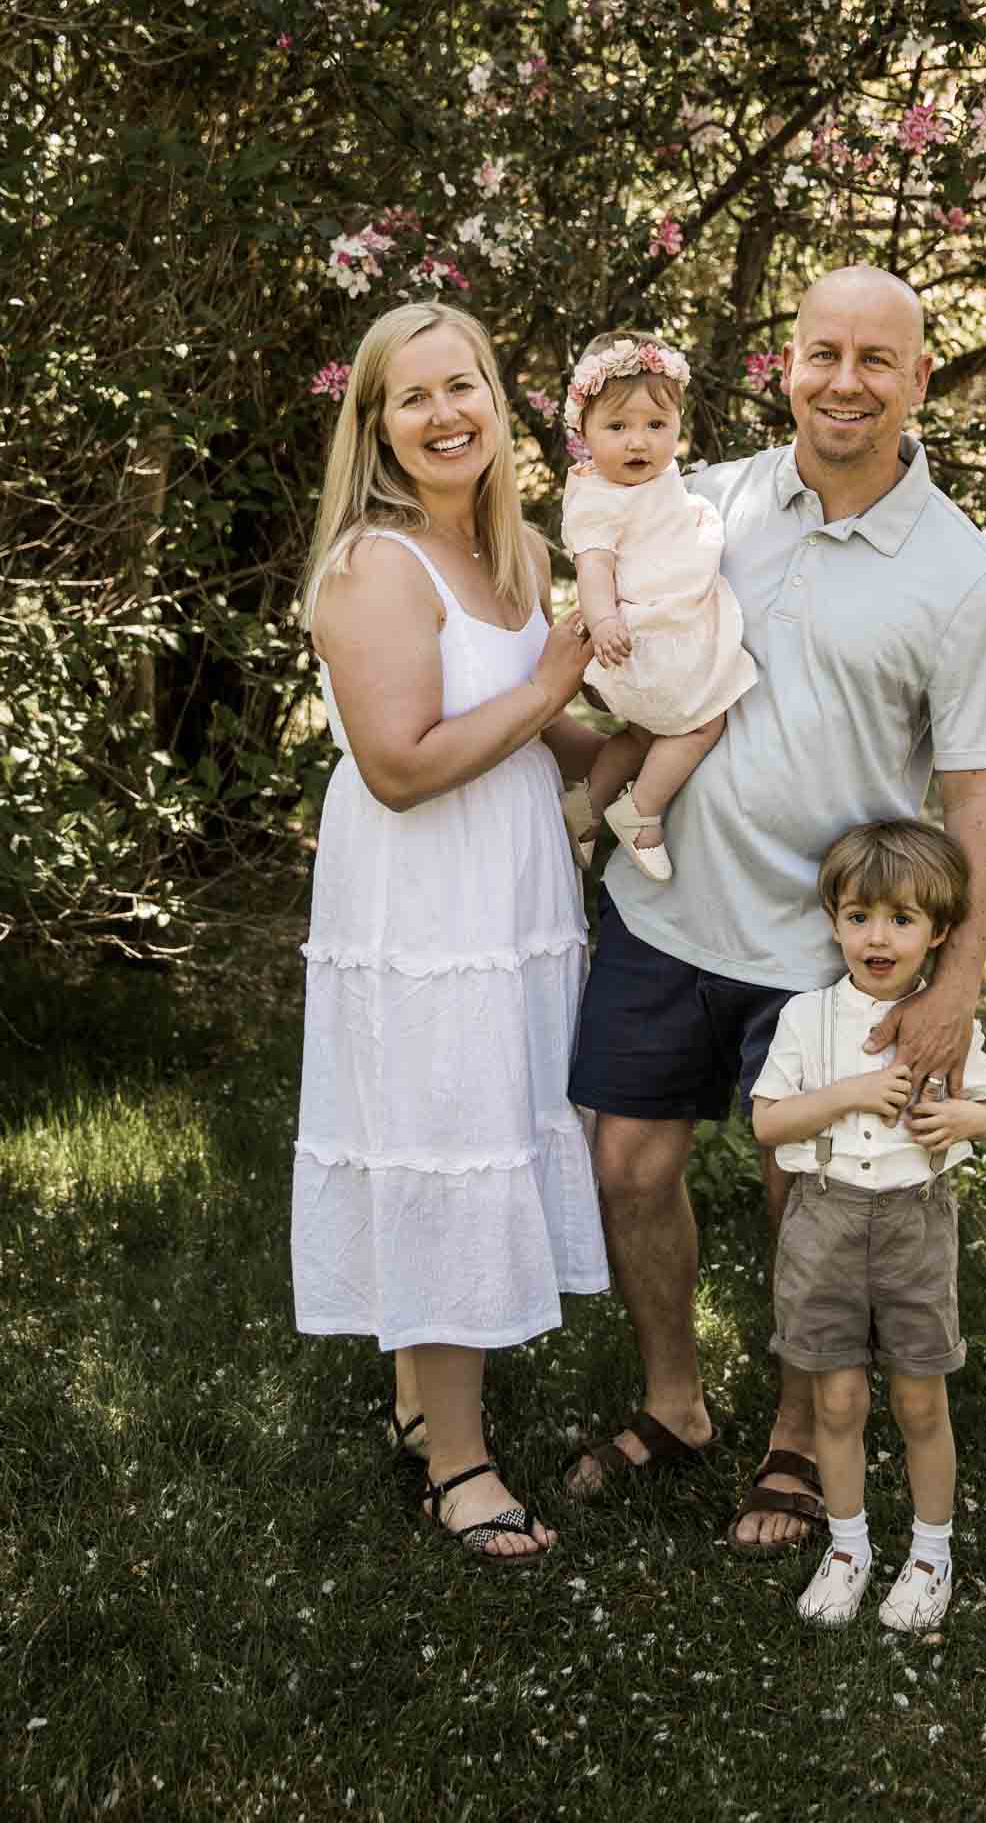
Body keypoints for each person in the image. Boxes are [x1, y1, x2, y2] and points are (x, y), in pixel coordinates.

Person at [564, 265, 986, 1556]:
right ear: (786, 364)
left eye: (877, 359)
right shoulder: (702, 502)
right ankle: (674, 1401)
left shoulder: (958, 574)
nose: (845, 380)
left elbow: (977, 798)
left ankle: (788, 1433)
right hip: (664, 913)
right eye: (823, 352)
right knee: (627, 1167)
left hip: (832, 957)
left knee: (804, 1200)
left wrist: (957, 980)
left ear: (920, 380)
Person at [292, 298, 610, 1566]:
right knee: (444, 1133)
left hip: (512, 892)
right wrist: (548, 688)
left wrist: (663, 720)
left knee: (486, 1121)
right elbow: (400, 766)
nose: (445, 413)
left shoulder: (510, 549)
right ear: (374, 424)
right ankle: (459, 1464)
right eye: (412, 395)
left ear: (496, 397)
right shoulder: (376, 563)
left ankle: (423, 1394)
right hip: (427, 897)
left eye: (464, 383)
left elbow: (549, 728)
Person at [750, 821, 986, 1627]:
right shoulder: (806, 1018)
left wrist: (958, 1119)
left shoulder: (948, 1028)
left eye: (900, 919)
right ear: (833, 922)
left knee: (920, 1401)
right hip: (822, 1221)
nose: (877, 936)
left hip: (912, 1225)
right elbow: (766, 1122)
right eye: (858, 916)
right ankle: (848, 1546)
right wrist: (852, 1096)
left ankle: (931, 1553)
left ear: (935, 934)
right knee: (837, 1399)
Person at [559, 330, 756, 882]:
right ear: (585, 431)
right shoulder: (597, 498)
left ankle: (585, 806)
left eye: (656, 426)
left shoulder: (655, 476)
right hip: (639, 637)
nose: (638, 443)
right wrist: (603, 621)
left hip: (668, 624)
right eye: (617, 428)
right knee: (703, 720)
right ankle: (641, 811)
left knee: (641, 736)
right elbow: (592, 566)